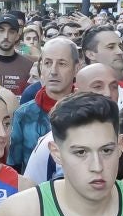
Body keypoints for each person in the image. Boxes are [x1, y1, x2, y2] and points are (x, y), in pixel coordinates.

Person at [7, 39, 76, 170]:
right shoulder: (23, 114)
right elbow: (14, 166)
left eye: (62, 63)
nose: (53, 71)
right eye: (48, 63)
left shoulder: (89, 113)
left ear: (76, 68)